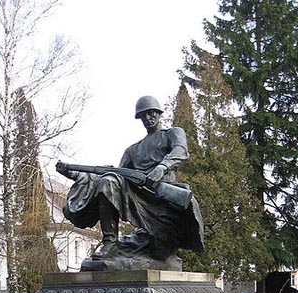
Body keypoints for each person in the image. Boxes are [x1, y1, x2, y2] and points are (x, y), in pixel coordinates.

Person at [58, 95, 204, 264]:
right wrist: (74, 174)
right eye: (143, 116)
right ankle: (110, 243)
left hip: (162, 200)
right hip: (137, 197)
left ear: (158, 113)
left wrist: (162, 168)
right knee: (108, 182)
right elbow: (117, 175)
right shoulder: (133, 150)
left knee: (160, 253)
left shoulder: (172, 133)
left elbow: (180, 151)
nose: (148, 118)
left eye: (151, 114)